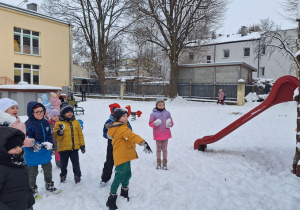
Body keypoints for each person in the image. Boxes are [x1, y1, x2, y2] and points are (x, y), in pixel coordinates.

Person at [105, 108, 152, 210]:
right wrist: (143, 142)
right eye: (123, 116)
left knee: (127, 174)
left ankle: (124, 191)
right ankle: (111, 198)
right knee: (119, 176)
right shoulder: (121, 128)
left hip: (125, 154)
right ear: (117, 118)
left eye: (127, 116)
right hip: (121, 156)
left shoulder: (122, 126)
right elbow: (132, 136)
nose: (126, 118)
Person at [24, 101, 60, 198]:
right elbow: (28, 139)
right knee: (32, 172)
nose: (40, 113)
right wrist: (38, 144)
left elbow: (49, 135)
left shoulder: (45, 122)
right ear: (31, 113)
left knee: (48, 168)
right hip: (32, 152)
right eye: (37, 112)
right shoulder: (28, 124)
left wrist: (50, 144)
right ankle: (32, 188)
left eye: (42, 111)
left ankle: (49, 184)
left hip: (44, 151)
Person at [0, 126, 35, 210]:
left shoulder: (19, 162)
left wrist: (29, 201)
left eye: (20, 146)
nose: (19, 149)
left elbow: (25, 185)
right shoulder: (2, 169)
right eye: (14, 147)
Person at [99, 103, 133, 188]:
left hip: (122, 147)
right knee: (109, 162)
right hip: (111, 146)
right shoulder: (109, 122)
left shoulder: (125, 122)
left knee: (122, 163)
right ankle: (105, 179)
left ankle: (122, 178)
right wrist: (107, 135)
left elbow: (130, 131)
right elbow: (104, 132)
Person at [53, 105, 85, 184]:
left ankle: (77, 175)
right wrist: (59, 132)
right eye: (67, 112)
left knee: (76, 164)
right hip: (63, 148)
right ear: (63, 113)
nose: (70, 114)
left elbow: (80, 134)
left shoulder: (76, 122)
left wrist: (82, 145)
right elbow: (56, 137)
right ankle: (63, 175)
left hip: (74, 148)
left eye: (71, 112)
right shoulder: (59, 123)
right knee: (64, 164)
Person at [149, 97, 173, 170]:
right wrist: (154, 124)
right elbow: (150, 123)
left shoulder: (167, 113)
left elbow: (171, 122)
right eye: (159, 105)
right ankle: (158, 162)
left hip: (166, 134)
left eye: (163, 104)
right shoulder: (153, 114)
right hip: (158, 135)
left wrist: (170, 124)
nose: (161, 106)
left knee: (165, 149)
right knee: (158, 148)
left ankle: (165, 162)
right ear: (156, 105)